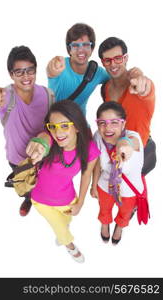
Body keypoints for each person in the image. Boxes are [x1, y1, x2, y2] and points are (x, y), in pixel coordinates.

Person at [0, 46, 52, 217]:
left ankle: (43, 201)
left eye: (30, 70)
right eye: (19, 72)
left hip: (43, 155)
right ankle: (28, 198)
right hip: (17, 160)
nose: (26, 76)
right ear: (11, 74)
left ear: (36, 70)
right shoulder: (6, 96)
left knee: (45, 184)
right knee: (24, 187)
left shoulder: (47, 94)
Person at [30, 100, 100, 263]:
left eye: (64, 125)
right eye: (53, 126)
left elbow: (86, 175)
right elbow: (43, 139)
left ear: (76, 126)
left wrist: (81, 202)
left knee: (66, 221)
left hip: (67, 199)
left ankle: (63, 232)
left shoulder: (89, 149)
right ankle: (70, 246)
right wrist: (40, 143)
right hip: (40, 200)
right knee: (60, 228)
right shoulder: (50, 143)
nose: (57, 132)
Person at [47, 23, 151, 117]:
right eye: (75, 46)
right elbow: (51, 71)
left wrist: (137, 75)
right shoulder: (60, 65)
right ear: (69, 49)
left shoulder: (97, 72)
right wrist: (52, 69)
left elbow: (119, 75)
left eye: (86, 45)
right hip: (55, 121)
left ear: (92, 48)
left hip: (79, 125)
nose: (81, 50)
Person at [98, 37, 156, 175]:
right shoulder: (105, 88)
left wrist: (141, 81)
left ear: (126, 58)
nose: (113, 64)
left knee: (135, 195)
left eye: (118, 58)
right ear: (103, 63)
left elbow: (145, 88)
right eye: (107, 60)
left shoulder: (140, 86)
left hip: (140, 153)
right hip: (116, 153)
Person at [90, 101, 144, 245]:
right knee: (104, 207)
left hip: (128, 190)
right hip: (104, 185)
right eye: (102, 122)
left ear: (123, 124)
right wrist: (93, 185)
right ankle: (105, 224)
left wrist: (124, 145)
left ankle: (119, 227)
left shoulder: (134, 137)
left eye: (114, 122)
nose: (107, 128)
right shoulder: (97, 136)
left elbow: (130, 142)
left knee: (125, 212)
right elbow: (96, 164)